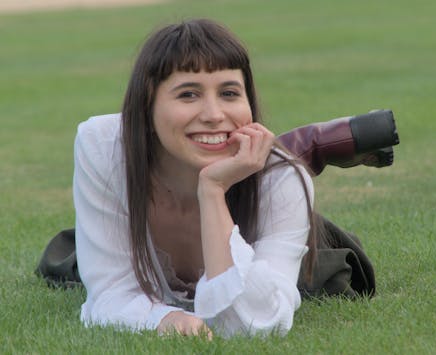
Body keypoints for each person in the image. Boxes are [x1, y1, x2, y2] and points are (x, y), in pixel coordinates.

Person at [74, 18, 318, 338]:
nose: (214, 115)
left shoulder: (282, 178)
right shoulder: (103, 146)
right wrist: (165, 319)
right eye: (188, 94)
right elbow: (108, 293)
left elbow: (255, 324)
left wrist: (213, 189)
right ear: (147, 104)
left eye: (229, 93)